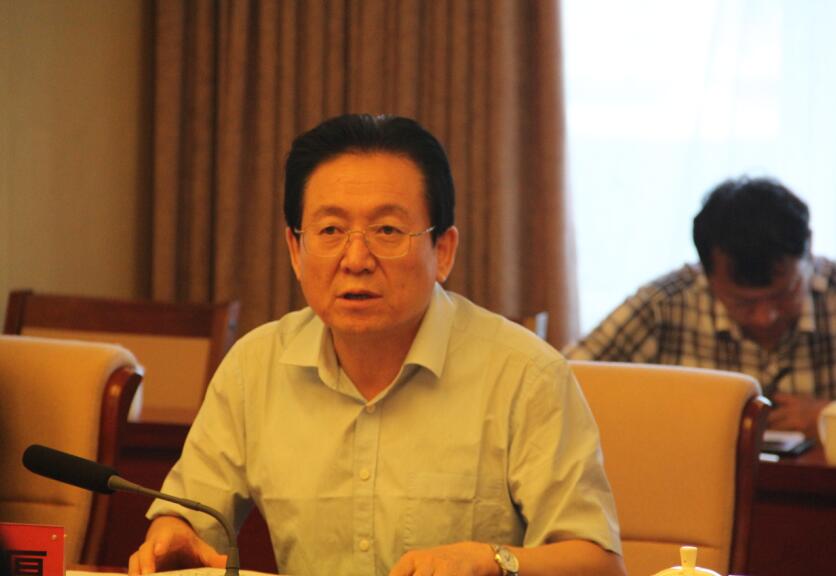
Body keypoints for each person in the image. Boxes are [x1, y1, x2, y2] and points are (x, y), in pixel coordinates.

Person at [128, 114, 625, 576]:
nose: (356, 259)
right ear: (296, 250)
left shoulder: (526, 374)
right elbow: (187, 516)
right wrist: (173, 534)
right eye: (330, 230)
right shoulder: (254, 367)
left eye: (387, 230)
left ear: (443, 251)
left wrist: (493, 561)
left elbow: (599, 564)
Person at [564, 176, 836, 439]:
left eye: (784, 294)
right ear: (706, 274)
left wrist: (827, 418)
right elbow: (562, 386)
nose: (765, 317)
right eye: (743, 303)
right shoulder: (664, 304)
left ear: (809, 253)